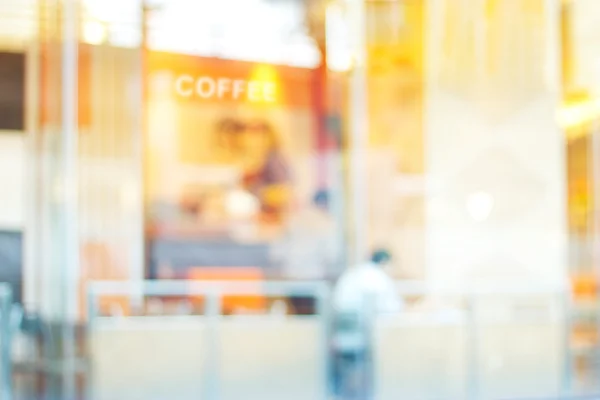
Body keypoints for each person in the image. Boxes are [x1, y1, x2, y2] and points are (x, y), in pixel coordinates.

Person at [331, 249, 402, 399]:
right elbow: (393, 309)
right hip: (364, 335)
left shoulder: (354, 273)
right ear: (384, 263)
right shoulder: (377, 277)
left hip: (343, 333)